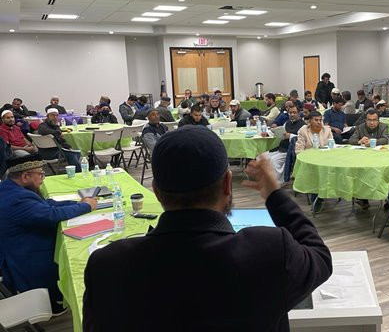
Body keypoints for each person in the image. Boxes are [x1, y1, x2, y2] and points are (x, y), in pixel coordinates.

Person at [82, 126, 332, 331]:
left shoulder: (106, 266)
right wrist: (274, 195)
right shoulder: (270, 251)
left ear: (156, 191)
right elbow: (319, 256)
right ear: (227, 184)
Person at [0, 154, 97, 314]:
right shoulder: (18, 200)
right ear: (25, 176)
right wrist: (86, 207)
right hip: (23, 255)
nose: (43, 178)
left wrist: (78, 203)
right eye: (41, 174)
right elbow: (51, 215)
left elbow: (45, 205)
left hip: (18, 243)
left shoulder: (11, 188)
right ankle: (56, 301)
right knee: (73, 250)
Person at [348, 109, 389, 209]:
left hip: (380, 157)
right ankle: (362, 197)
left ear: (378, 120)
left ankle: (384, 194)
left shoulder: (383, 126)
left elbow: (385, 139)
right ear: (365, 120)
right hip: (363, 158)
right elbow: (351, 140)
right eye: (369, 120)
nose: (371, 122)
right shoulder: (360, 127)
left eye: (374, 120)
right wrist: (359, 141)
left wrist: (373, 141)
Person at [296, 111, 333, 212]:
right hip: (310, 161)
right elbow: (299, 151)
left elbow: (332, 146)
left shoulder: (327, 130)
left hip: (326, 159)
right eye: (316, 120)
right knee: (316, 173)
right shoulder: (303, 131)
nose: (319, 122)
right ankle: (317, 199)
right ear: (309, 122)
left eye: (320, 120)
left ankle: (328, 192)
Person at [265, 105, 305, 184]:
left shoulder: (303, 126)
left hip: (290, 151)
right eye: (290, 113)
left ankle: (278, 182)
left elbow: (302, 138)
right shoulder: (287, 123)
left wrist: (290, 136)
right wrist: (268, 133)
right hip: (281, 148)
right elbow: (279, 130)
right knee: (263, 157)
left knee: (274, 160)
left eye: (294, 112)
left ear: (299, 113)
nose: (292, 114)